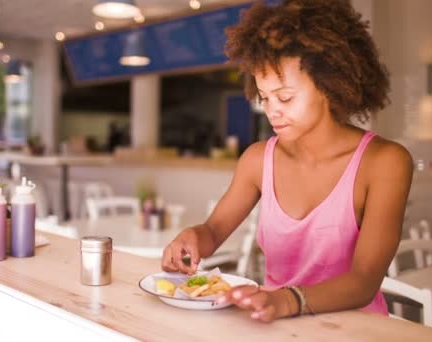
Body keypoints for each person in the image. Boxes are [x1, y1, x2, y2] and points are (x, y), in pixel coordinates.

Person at [161, 0, 413, 322]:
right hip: (275, 326)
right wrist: (193, 237)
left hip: (355, 330)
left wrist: (287, 300)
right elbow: (213, 231)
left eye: (285, 97)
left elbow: (364, 281)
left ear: (330, 85)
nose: (272, 111)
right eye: (264, 98)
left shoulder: (384, 162)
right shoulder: (257, 160)